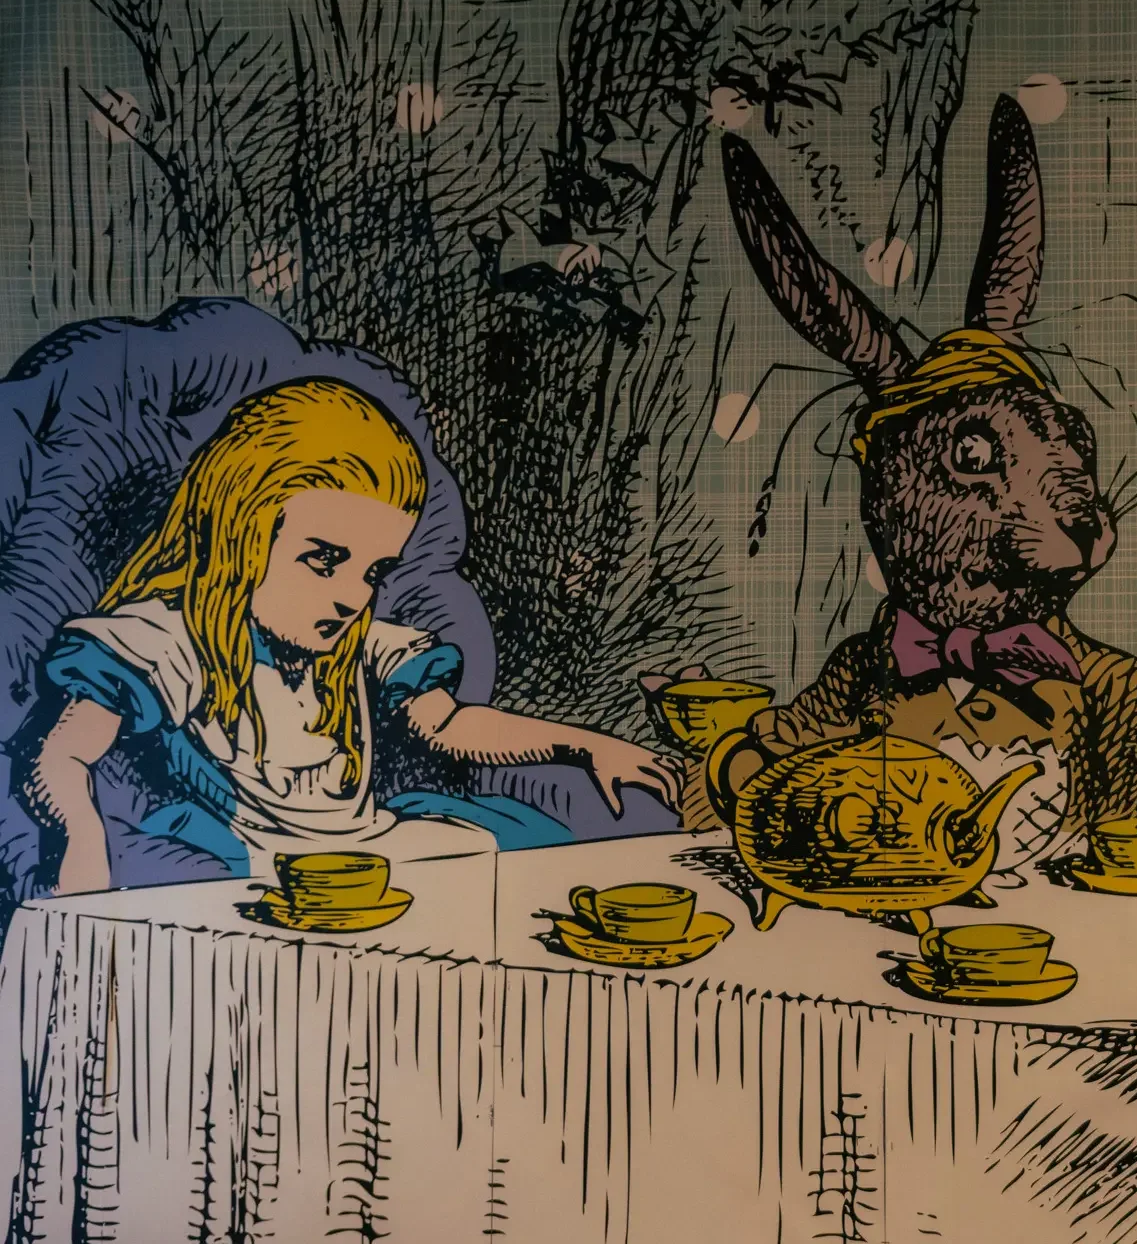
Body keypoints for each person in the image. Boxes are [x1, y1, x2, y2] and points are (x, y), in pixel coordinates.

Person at [25, 377, 688, 892]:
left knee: (520, 861)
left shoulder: (360, 643)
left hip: (371, 851)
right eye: (324, 559)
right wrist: (80, 836)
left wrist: (583, 746)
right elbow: (61, 756)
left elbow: (452, 725)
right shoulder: (170, 638)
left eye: (373, 571)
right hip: (261, 862)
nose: (352, 596)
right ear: (242, 531)